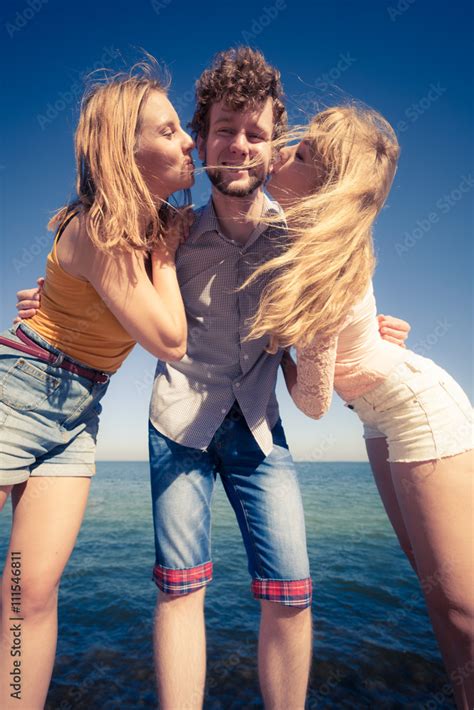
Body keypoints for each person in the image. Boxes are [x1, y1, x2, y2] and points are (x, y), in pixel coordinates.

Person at [246, 104, 474, 709]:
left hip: (414, 408)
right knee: (438, 594)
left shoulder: (323, 263)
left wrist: (280, 351)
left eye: (301, 155)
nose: (281, 155)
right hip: (378, 411)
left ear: (325, 184)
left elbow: (314, 403)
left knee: (462, 603)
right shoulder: (306, 239)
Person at [0, 64, 195, 709]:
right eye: (170, 131)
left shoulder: (152, 228)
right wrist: (164, 258)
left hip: (79, 414)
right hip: (16, 394)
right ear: (124, 150)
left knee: (31, 590)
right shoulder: (102, 229)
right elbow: (169, 338)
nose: (190, 140)